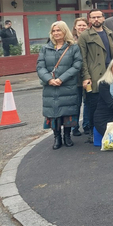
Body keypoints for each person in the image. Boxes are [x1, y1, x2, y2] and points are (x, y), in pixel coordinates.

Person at [37, 21, 83, 150]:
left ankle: (67, 136)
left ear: (64, 31)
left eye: (59, 30)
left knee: (67, 111)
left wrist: (61, 78)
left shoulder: (73, 47)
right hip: (50, 86)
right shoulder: (45, 48)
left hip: (67, 84)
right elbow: (40, 67)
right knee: (53, 113)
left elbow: (77, 65)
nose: (56, 33)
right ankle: (57, 137)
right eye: (54, 31)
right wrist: (49, 79)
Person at [78, 9, 113, 140]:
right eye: (93, 17)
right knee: (94, 105)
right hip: (94, 75)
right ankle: (94, 133)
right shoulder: (85, 36)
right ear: (89, 20)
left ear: (103, 18)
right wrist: (86, 76)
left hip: (109, 74)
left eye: (98, 17)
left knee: (110, 102)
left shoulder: (110, 33)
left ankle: (109, 130)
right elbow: (82, 58)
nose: (96, 20)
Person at [71, 17, 89, 137]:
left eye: (84, 25)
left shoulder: (89, 39)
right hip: (75, 78)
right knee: (76, 103)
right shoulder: (70, 42)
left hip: (87, 76)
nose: (81, 27)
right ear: (75, 27)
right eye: (79, 25)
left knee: (87, 101)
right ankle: (74, 126)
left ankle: (86, 125)